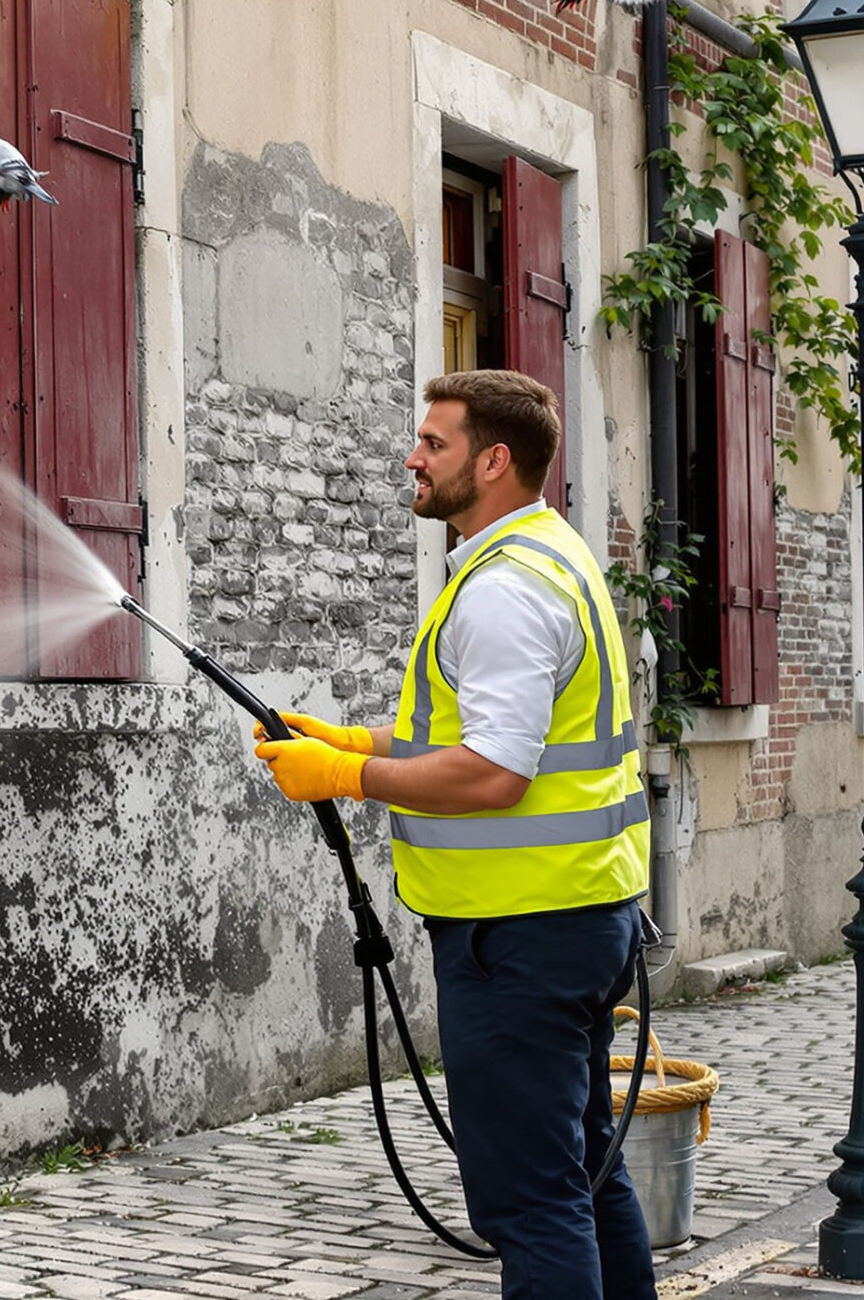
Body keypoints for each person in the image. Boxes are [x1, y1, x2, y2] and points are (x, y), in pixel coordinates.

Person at [249, 369, 657, 1299]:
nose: (413, 456)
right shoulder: (551, 555)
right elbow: (485, 736)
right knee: (587, 1172)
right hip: (578, 915)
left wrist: (348, 776)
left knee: (533, 1202)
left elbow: (494, 772)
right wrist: (352, 738)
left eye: (434, 442)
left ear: (496, 459)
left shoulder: (503, 591)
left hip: (520, 936)